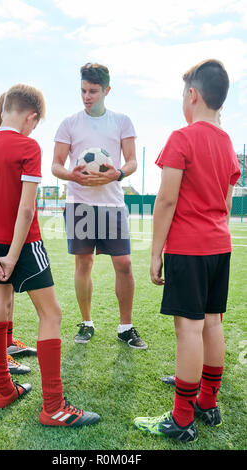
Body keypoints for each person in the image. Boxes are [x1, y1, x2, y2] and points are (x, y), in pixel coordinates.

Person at [0, 83, 100, 427]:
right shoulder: (28, 145)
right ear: (31, 117)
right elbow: (26, 210)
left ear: (3, 110)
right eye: (35, 123)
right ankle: (54, 406)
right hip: (23, 245)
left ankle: (4, 390)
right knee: (52, 314)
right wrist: (13, 256)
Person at [133, 59, 241, 442]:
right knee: (213, 323)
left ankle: (181, 418)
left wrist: (155, 250)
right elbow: (227, 204)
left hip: (189, 247)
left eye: (183, 94)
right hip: (219, 245)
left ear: (192, 95)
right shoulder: (228, 143)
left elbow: (165, 201)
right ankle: (207, 402)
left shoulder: (182, 138)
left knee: (189, 328)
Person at [52, 63, 147, 349]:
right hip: (79, 203)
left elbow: (131, 161)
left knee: (125, 264)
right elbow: (56, 165)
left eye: (93, 91)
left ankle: (125, 326)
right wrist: (72, 175)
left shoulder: (121, 121)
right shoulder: (69, 123)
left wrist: (117, 174)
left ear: (107, 91)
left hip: (112, 204)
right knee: (84, 263)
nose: (87, 96)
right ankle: (86, 322)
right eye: (83, 90)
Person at [0, 92, 37, 377]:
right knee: (0, 299)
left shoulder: (0, 146)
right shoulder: (4, 147)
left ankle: (6, 346)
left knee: (6, 297)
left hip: (0, 234)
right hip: (4, 234)